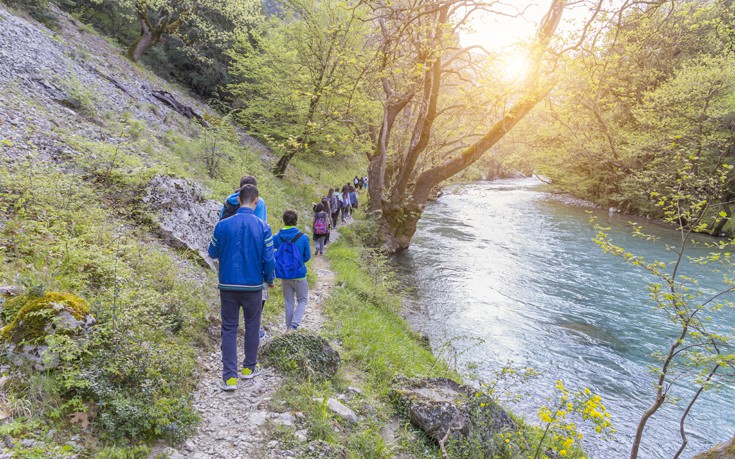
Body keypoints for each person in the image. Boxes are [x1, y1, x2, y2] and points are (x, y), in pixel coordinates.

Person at [208, 185, 275, 391]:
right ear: (256, 201)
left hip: (227, 284)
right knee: (252, 325)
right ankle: (248, 368)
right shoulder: (263, 227)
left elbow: (212, 252)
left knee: (228, 328)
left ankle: (229, 378)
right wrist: (269, 278)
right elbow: (269, 259)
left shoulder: (222, 225)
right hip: (253, 286)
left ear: (238, 200)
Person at [219, 175, 268, 340]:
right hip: (252, 259)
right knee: (258, 296)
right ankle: (255, 329)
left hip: (229, 260)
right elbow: (261, 230)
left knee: (229, 317)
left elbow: (220, 224)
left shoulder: (228, 200)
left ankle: (230, 362)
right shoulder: (259, 203)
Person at [273, 210, 311, 330]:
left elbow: (269, 251)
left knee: (289, 302)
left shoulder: (277, 237)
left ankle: (289, 327)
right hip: (299, 275)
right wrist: (297, 263)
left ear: (284, 220)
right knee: (302, 300)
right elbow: (307, 256)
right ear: (296, 221)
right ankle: (294, 326)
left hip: (285, 275)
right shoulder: (303, 237)